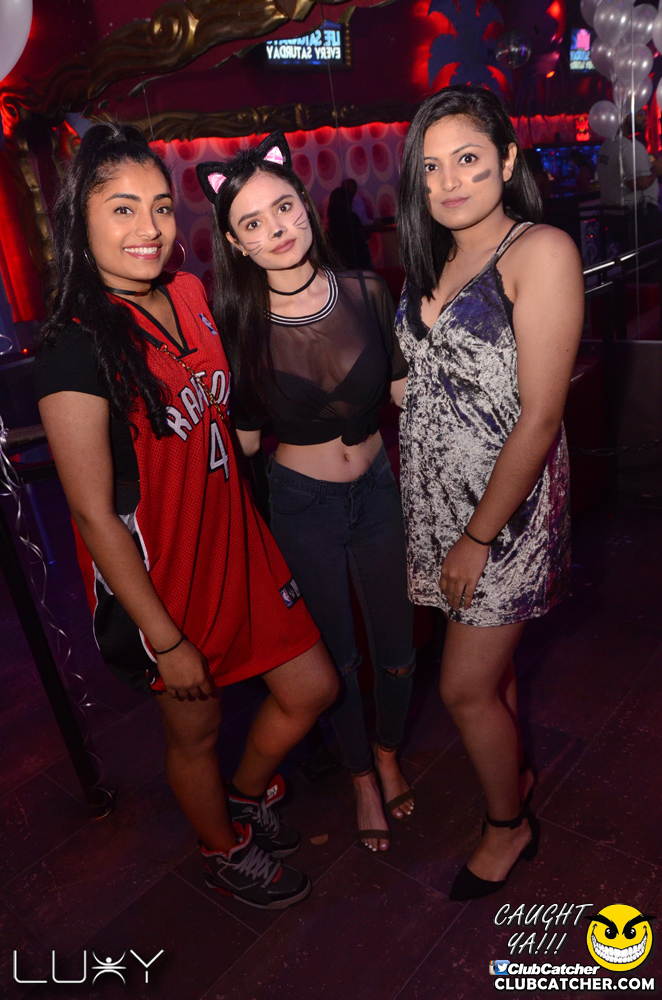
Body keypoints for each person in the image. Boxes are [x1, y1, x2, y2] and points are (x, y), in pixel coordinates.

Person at [33, 122, 339, 910]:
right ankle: (222, 849)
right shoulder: (73, 347)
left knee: (311, 688)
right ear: (80, 220)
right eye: (123, 209)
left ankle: (244, 796)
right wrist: (165, 640)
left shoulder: (192, 293)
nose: (149, 228)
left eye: (161, 207)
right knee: (194, 735)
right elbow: (93, 516)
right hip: (165, 585)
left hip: (241, 549)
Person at [196, 131, 416, 854]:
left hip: (379, 492)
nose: (276, 229)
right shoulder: (239, 328)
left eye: (284, 208)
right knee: (338, 662)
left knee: (397, 649)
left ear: (307, 206)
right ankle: (360, 776)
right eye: (252, 223)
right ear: (237, 244)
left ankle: (388, 752)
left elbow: (405, 395)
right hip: (301, 506)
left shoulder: (368, 290)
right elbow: (243, 447)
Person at [396, 86, 584, 899]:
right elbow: (434, 370)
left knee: (462, 686)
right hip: (438, 501)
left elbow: (540, 416)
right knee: (494, 676)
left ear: (506, 160)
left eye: (467, 159)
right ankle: (516, 774)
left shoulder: (539, 250)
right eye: (431, 167)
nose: (448, 182)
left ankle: (509, 827)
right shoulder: (436, 256)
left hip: (504, 515)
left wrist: (477, 539)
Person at [596, 111, 662, 247]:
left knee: (632, 256)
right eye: (640, 114)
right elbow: (638, 182)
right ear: (626, 116)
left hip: (617, 217)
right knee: (648, 256)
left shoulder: (607, 144)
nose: (645, 118)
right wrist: (656, 170)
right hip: (638, 218)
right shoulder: (628, 146)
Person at [326, 179, 373, 268]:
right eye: (349, 190)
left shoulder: (333, 219)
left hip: (342, 258)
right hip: (353, 258)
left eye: (353, 190)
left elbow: (363, 220)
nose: (351, 193)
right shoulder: (351, 218)